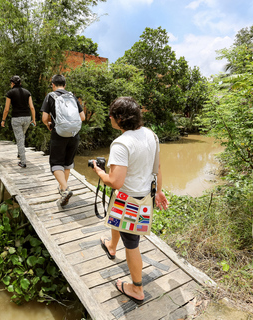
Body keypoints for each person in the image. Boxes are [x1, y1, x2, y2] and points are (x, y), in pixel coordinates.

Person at [91, 96, 169, 303]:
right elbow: (157, 168)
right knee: (119, 224)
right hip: (144, 198)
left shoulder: (121, 143)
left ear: (118, 118)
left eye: (111, 115)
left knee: (132, 244)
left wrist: (99, 172)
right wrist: (159, 191)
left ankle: (136, 288)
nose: (109, 118)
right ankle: (111, 246)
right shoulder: (151, 135)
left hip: (129, 202)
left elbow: (115, 181)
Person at [41, 74, 85, 206]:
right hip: (73, 134)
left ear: (53, 85)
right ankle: (62, 189)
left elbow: (44, 118)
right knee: (67, 163)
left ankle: (65, 189)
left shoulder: (50, 96)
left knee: (56, 163)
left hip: (58, 134)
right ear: (65, 85)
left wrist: (49, 124)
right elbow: (82, 117)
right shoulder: (72, 97)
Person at [2, 75, 36, 167]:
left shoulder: (10, 93)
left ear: (12, 83)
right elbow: (32, 107)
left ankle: (23, 162)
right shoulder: (27, 92)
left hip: (16, 118)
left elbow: (6, 109)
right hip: (27, 118)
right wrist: (34, 119)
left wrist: (3, 120)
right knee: (21, 137)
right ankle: (19, 154)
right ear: (20, 83)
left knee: (20, 139)